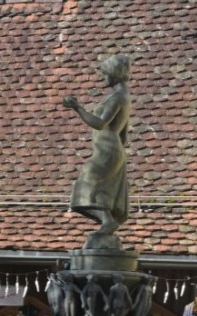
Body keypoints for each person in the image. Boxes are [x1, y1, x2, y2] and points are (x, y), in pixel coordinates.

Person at [62, 54, 132, 237]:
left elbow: (100, 123)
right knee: (96, 188)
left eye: (105, 73)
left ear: (114, 73)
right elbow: (124, 133)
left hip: (107, 150)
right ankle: (107, 221)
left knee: (85, 185)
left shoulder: (117, 97)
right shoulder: (125, 96)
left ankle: (108, 221)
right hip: (113, 148)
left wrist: (77, 107)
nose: (104, 78)